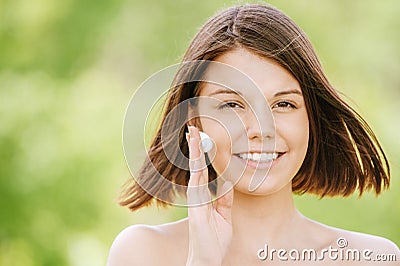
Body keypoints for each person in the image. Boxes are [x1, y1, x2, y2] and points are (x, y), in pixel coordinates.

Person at [107, 4, 399, 265]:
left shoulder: (370, 258)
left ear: (311, 118)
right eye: (232, 104)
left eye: (283, 104)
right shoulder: (143, 253)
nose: (261, 129)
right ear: (194, 120)